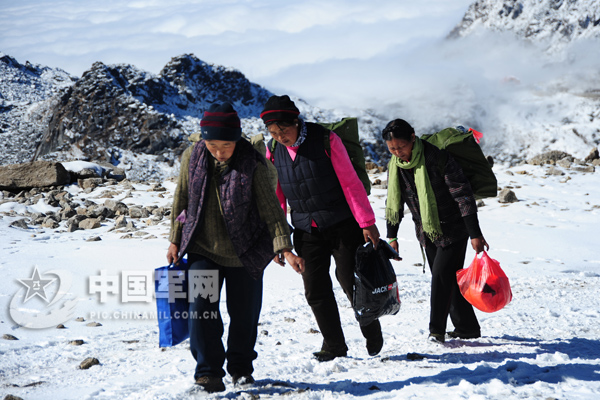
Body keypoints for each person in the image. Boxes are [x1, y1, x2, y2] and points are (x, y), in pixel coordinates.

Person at [166, 102, 304, 393]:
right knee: (202, 313)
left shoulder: (252, 161)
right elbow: (182, 200)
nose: (219, 152)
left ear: (237, 139)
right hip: (204, 248)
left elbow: (270, 208)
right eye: (212, 145)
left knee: (244, 315)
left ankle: (241, 370)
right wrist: (175, 239)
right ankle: (208, 372)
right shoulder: (192, 156)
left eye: (226, 145)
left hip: (248, 250)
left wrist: (284, 247)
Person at [261, 95, 382, 362]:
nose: (280, 136)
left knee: (350, 281)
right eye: (273, 132)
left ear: (296, 122)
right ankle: (334, 344)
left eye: (284, 130)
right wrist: (279, 241)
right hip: (305, 229)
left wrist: (367, 223)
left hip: (342, 224)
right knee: (315, 288)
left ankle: (370, 327)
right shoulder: (273, 150)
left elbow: (350, 183)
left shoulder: (326, 140)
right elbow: (276, 197)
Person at [382, 118, 489, 344]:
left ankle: (436, 331)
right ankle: (467, 327)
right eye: (392, 149)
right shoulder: (396, 166)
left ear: (413, 138)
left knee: (440, 279)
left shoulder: (438, 158)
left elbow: (463, 195)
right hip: (427, 232)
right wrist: (392, 236)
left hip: (454, 229)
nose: (397, 152)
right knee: (449, 279)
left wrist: (475, 234)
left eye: (401, 146)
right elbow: (395, 202)